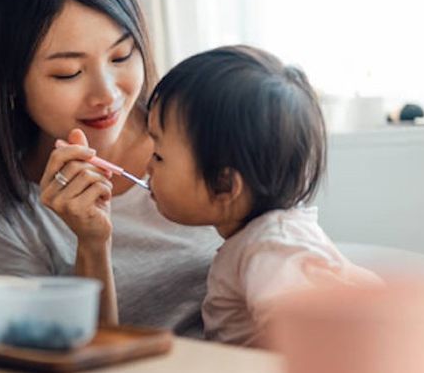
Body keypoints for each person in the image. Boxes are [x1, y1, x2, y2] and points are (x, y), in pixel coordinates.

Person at [0, 0, 220, 334]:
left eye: (121, 56)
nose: (106, 94)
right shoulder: (10, 223)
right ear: (10, 82)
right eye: (68, 72)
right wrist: (92, 245)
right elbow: (72, 358)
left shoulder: (209, 135)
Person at [146, 45, 381, 346]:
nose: (146, 166)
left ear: (225, 184)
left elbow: (309, 347)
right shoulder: (255, 239)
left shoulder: (272, 249)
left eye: (158, 155)